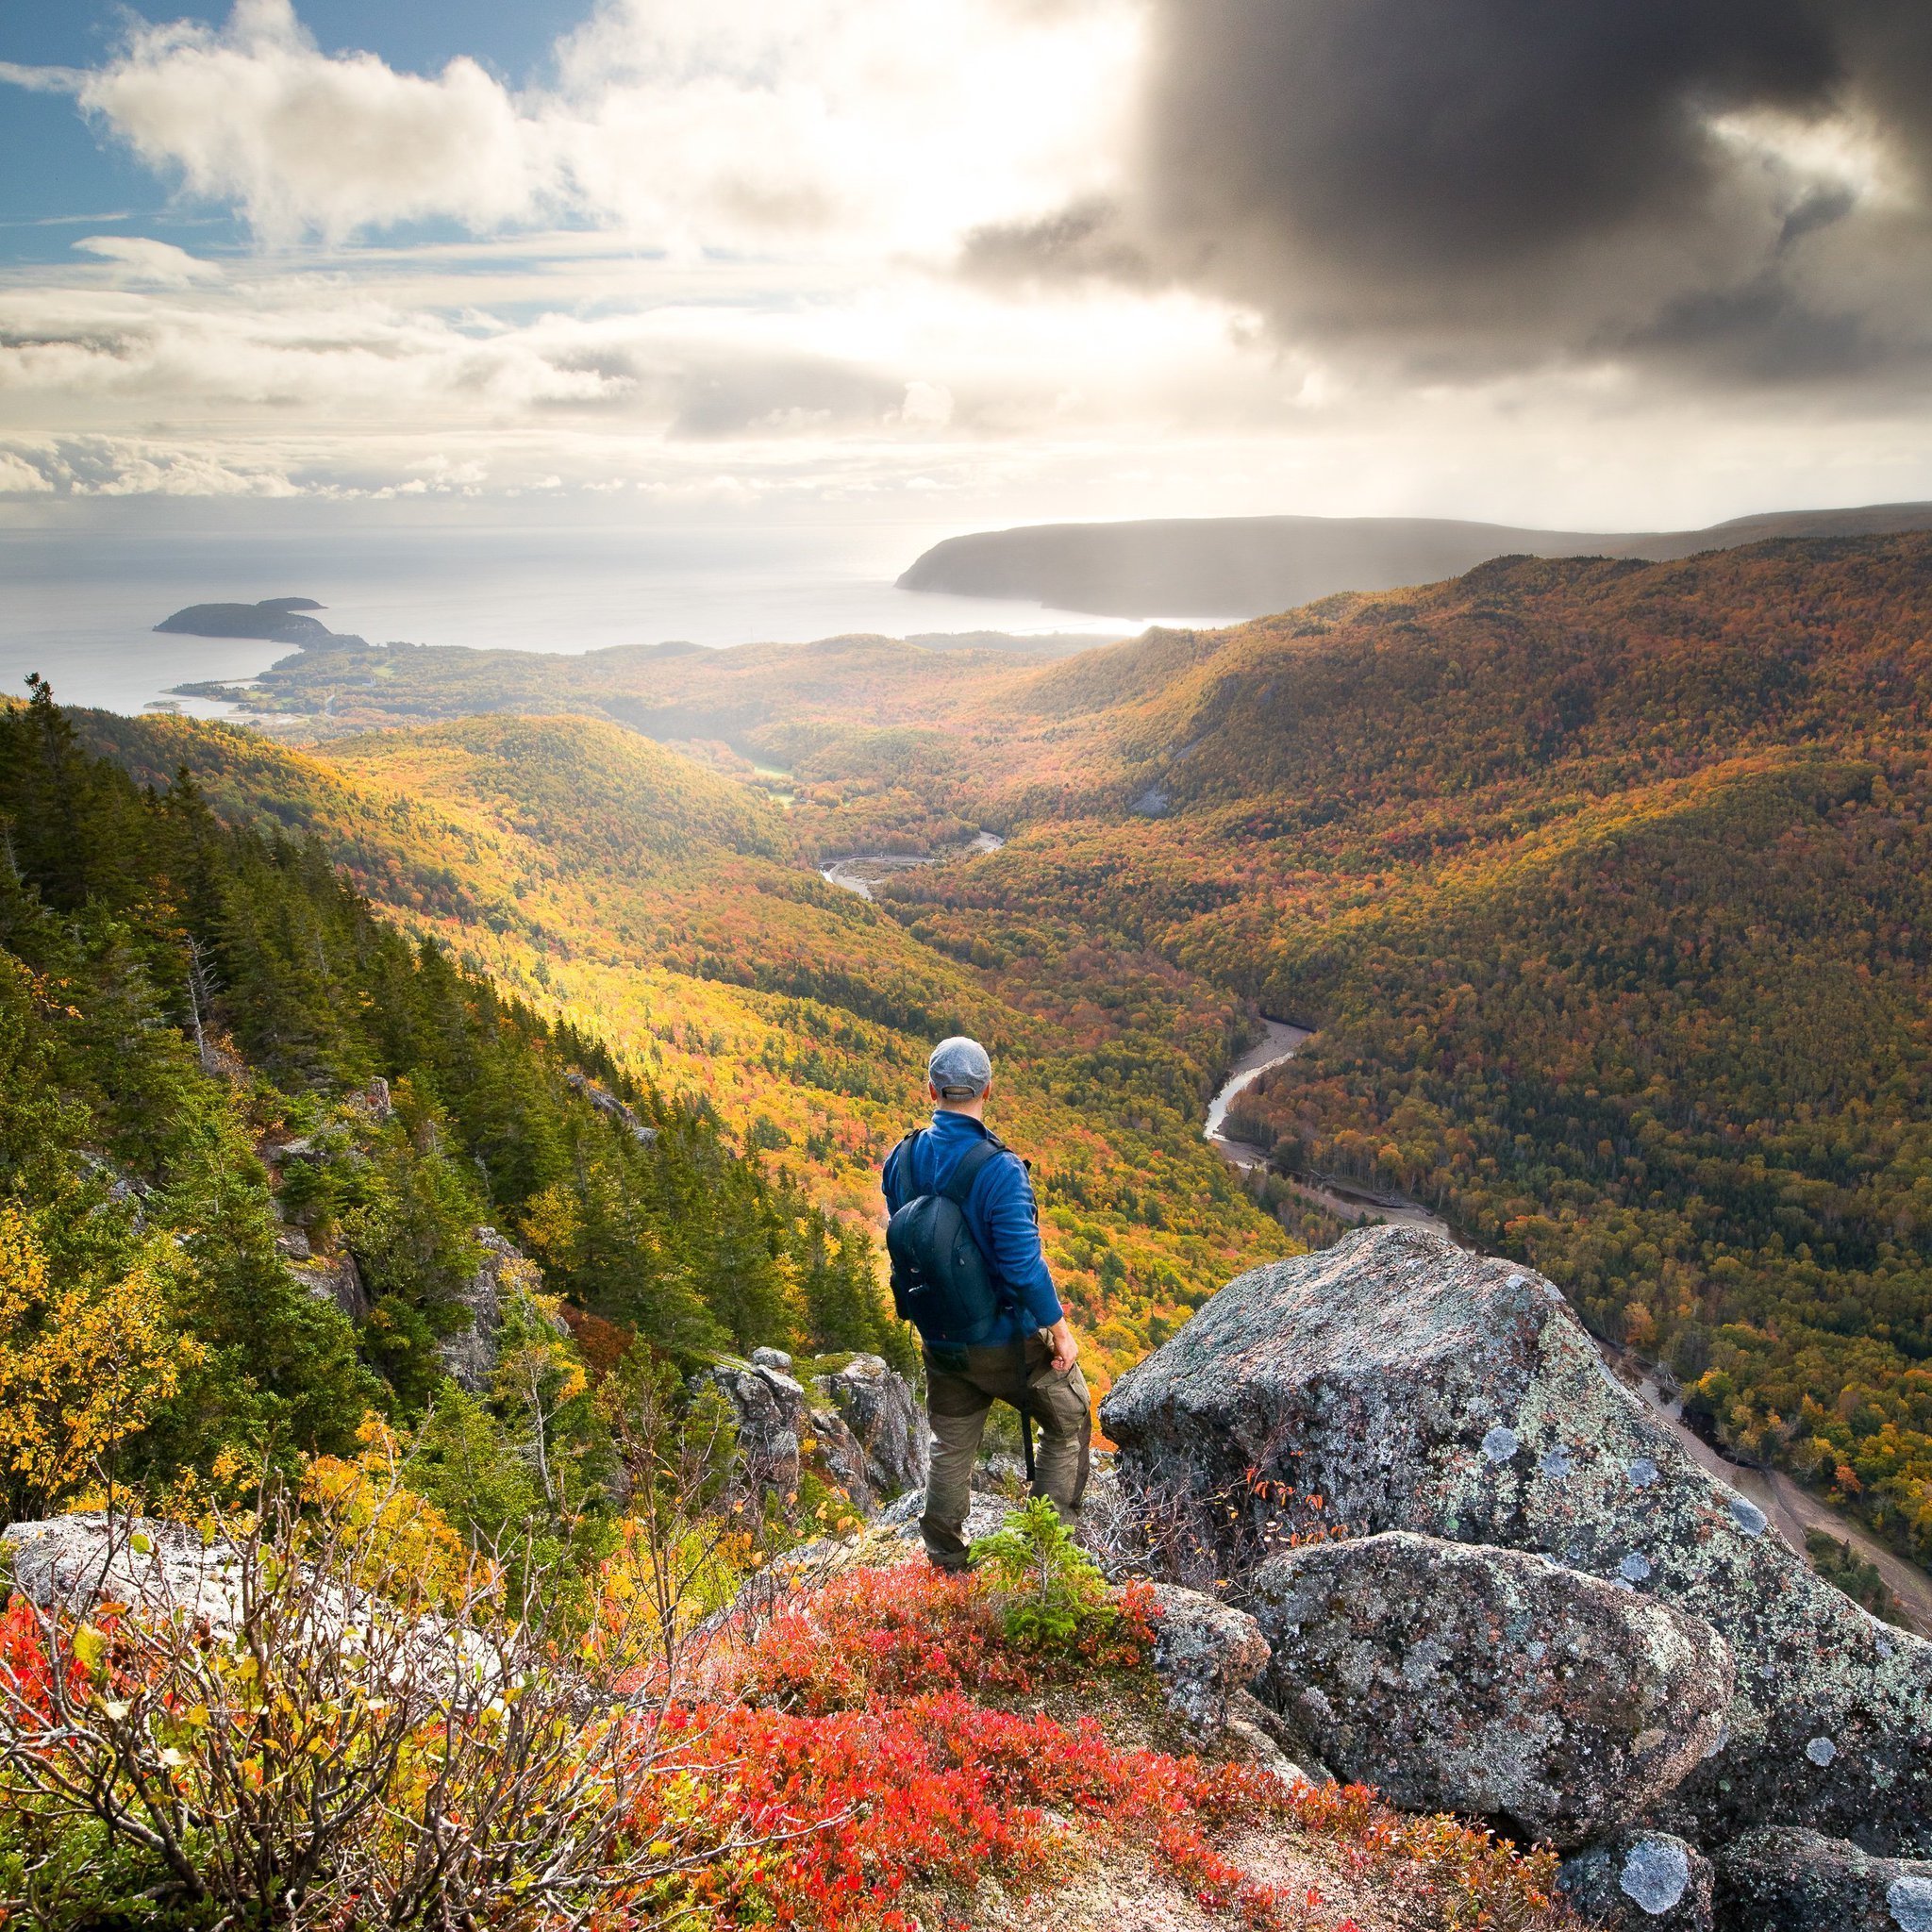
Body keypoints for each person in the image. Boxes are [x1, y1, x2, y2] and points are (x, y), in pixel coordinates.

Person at [882, 1034, 1090, 1570]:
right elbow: (1021, 1266)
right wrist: (1060, 1333)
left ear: (930, 1089)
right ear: (987, 1091)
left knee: (950, 1446)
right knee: (1068, 1419)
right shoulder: (999, 1170)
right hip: (1005, 1344)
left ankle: (946, 1559)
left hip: (939, 1337)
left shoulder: (900, 1159)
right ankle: (1046, 1553)